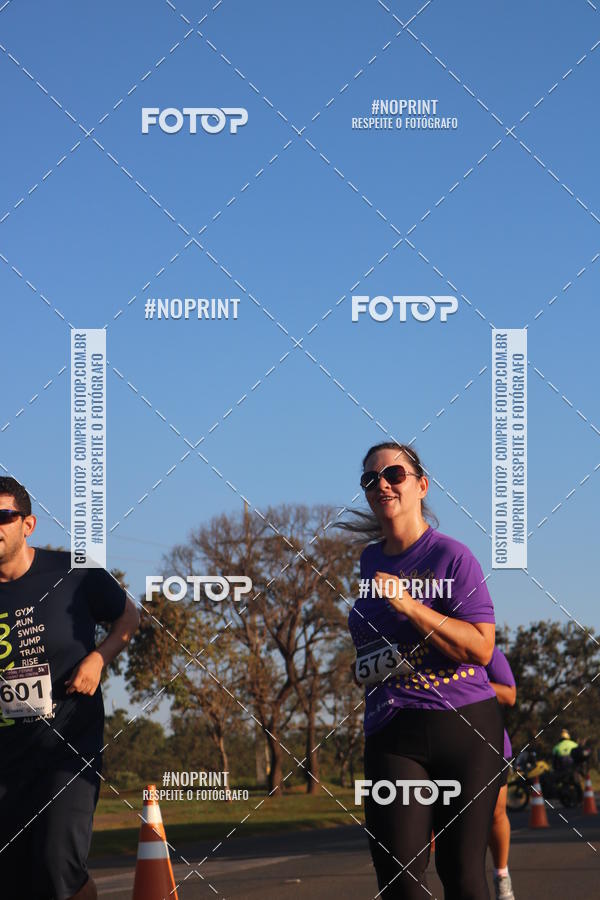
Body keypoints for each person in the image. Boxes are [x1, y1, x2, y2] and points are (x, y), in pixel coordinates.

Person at [345, 442, 504, 899]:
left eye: (394, 474)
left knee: (462, 876)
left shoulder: (452, 557)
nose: (382, 484)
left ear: (421, 485)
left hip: (464, 728)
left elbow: (480, 647)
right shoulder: (369, 561)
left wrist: (409, 606)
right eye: (371, 479)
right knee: (399, 881)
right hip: (392, 730)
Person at [0, 476, 139, 899]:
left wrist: (99, 658)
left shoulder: (72, 573)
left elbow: (128, 617)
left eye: (3, 516)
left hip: (68, 747)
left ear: (28, 524)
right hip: (6, 755)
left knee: (58, 863)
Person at [485, 647, 517, 900]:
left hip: (490, 744)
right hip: (434, 745)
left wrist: (473, 682)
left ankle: (501, 874)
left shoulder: (487, 649)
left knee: (496, 812)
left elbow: (510, 694)